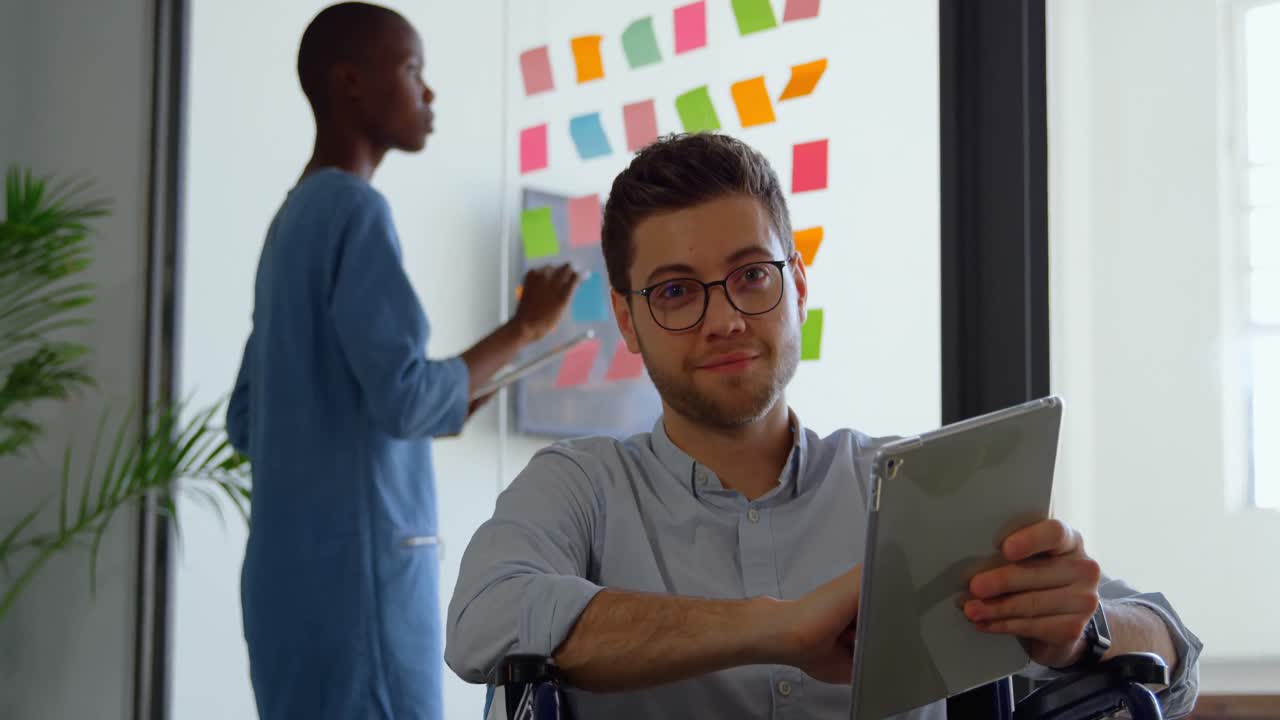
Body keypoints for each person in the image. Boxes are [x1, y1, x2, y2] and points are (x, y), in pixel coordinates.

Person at [444, 133, 1203, 719]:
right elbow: (483, 621)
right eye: (676, 292)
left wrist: (1085, 628)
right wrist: (776, 628)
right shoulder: (578, 488)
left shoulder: (919, 487)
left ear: (798, 286)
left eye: (752, 276)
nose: (725, 319)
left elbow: (1176, 650)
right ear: (627, 320)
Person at [225, 4, 580, 719]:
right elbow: (409, 400)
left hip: (284, 594)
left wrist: (435, 400)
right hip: (360, 595)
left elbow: (246, 421)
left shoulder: (291, 222)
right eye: (413, 70)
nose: (429, 92)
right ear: (350, 82)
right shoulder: (355, 212)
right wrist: (526, 327)